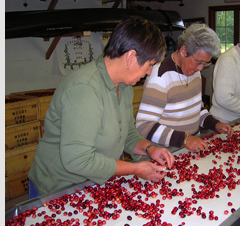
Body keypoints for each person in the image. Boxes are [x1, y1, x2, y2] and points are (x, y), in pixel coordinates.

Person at [28, 17, 175, 197]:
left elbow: (127, 133)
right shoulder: (85, 89)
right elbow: (78, 160)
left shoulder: (124, 86)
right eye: (149, 65)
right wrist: (134, 168)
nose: (149, 72)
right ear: (130, 57)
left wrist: (149, 149)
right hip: (58, 188)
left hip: (91, 183)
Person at [135, 23, 233, 152]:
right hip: (167, 152)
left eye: (205, 63)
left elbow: (197, 108)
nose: (201, 68)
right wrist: (184, 139)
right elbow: (144, 125)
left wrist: (214, 124)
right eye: (198, 62)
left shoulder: (195, 72)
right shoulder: (159, 77)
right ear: (183, 51)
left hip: (192, 148)